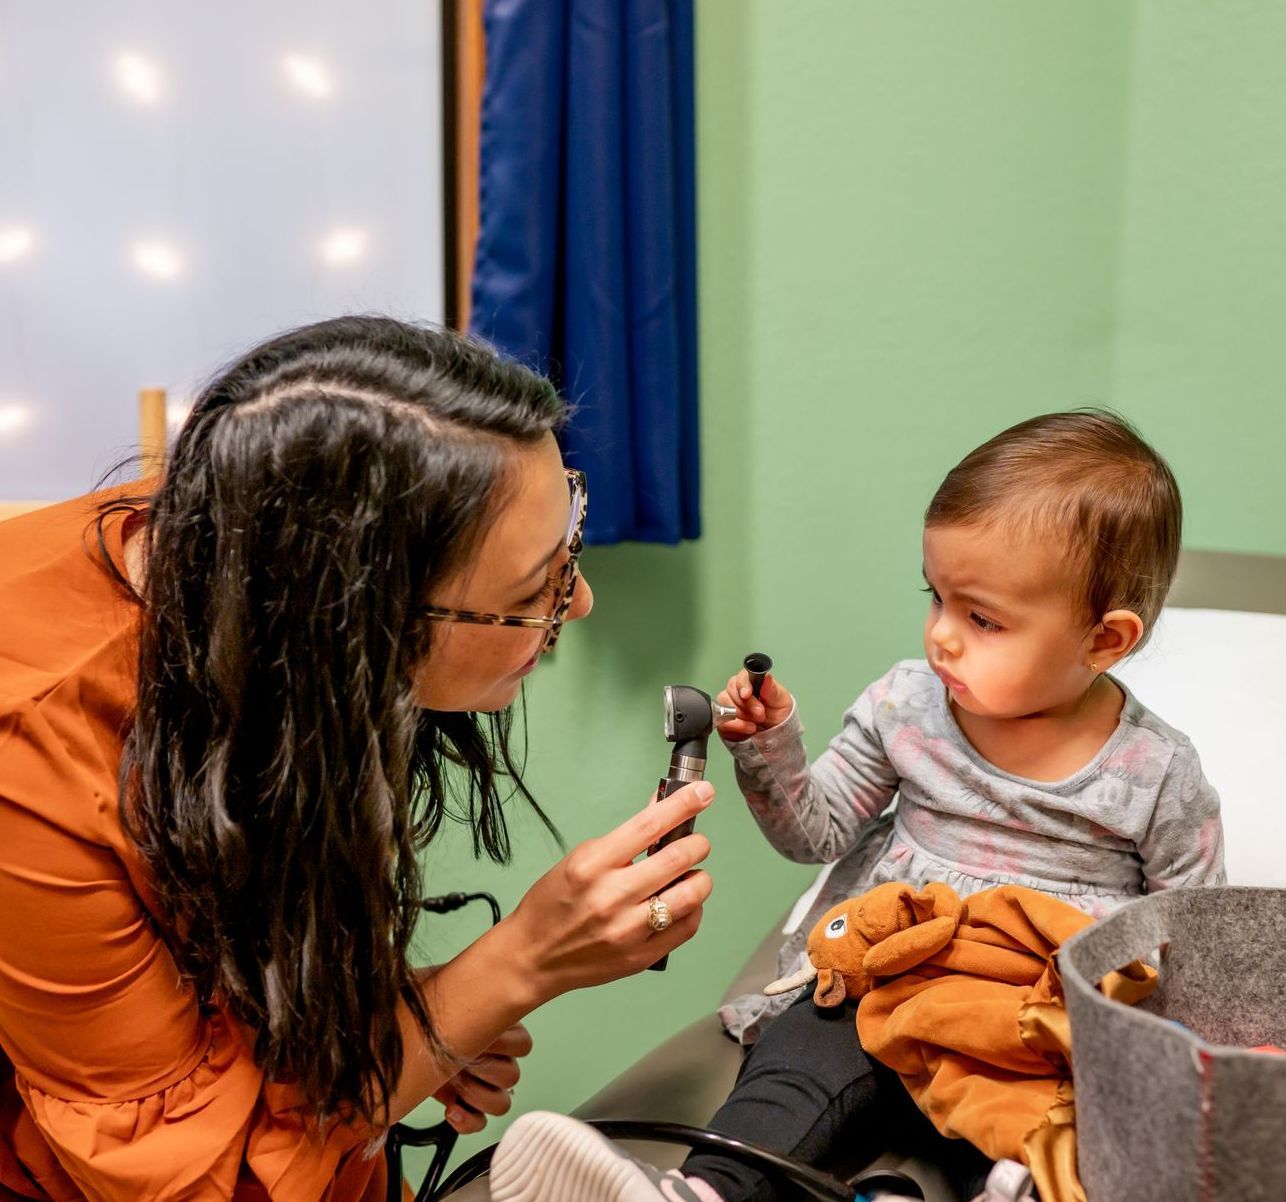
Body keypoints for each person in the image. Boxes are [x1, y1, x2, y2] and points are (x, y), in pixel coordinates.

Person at [0, 317, 714, 1200]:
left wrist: (414, 1021)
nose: (581, 604)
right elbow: (188, 1185)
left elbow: (212, 1000)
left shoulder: (256, 543)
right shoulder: (27, 761)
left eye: (567, 553)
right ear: (358, 621)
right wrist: (517, 965)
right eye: (538, 590)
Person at [488, 410, 1226, 1202]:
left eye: (982, 618)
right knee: (797, 1064)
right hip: (877, 989)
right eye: (936, 597)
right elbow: (818, 832)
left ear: (1104, 641)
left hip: (1022, 1025)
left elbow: (1192, 940)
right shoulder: (907, 706)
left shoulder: (1157, 773)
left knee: (1074, 1117)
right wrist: (770, 749)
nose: (941, 636)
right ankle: (700, 1193)